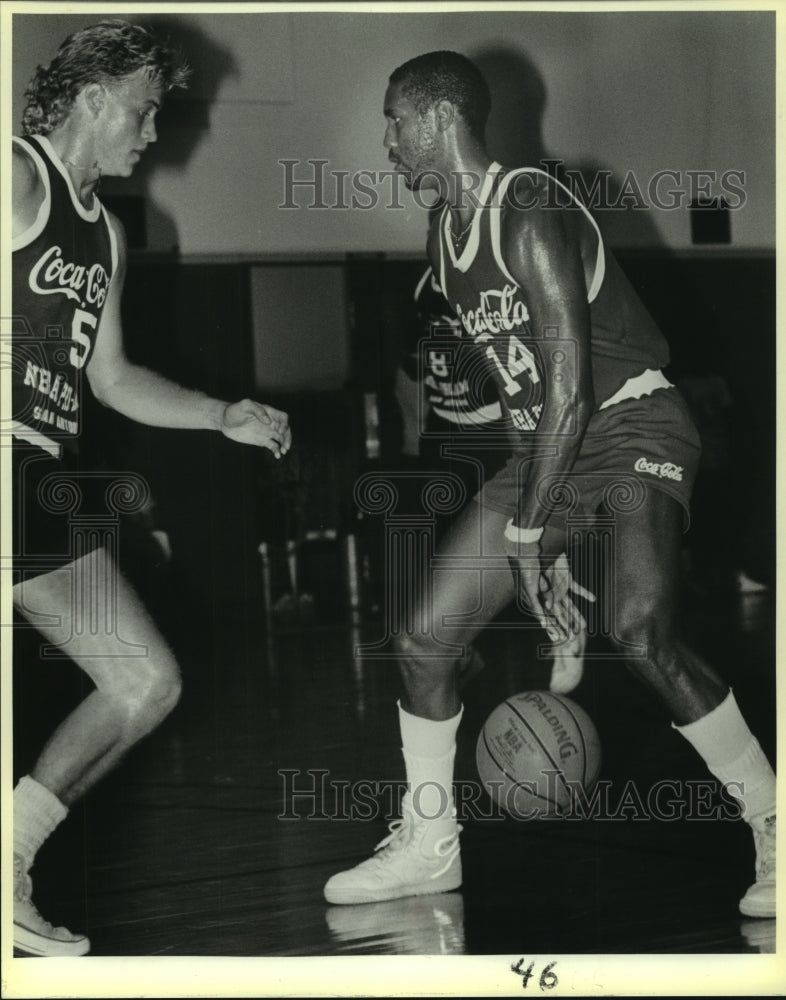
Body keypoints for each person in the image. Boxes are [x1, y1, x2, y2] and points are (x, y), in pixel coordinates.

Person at [324, 51, 775, 918]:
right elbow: (524, 393)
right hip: (550, 447)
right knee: (423, 640)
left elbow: (571, 387)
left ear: (437, 120)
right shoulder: (442, 239)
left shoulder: (527, 205)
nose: (385, 140)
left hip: (633, 423)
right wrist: (551, 529)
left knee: (640, 631)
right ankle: (429, 844)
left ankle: (776, 823)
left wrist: (533, 536)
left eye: (393, 120)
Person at [10, 21, 291, 957]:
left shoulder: (108, 234)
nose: (153, 131)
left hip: (35, 477)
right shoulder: (15, 178)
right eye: (143, 108)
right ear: (92, 98)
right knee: (138, 678)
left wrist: (220, 415)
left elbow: (115, 375)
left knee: (143, 681)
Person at [394, 262, 587, 693]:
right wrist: (413, 433)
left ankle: (562, 625)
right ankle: (458, 651)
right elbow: (410, 367)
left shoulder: (494, 271)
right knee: (439, 561)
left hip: (495, 432)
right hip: (445, 435)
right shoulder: (426, 283)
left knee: (523, 537)